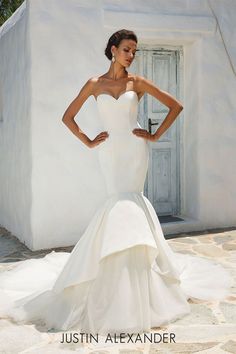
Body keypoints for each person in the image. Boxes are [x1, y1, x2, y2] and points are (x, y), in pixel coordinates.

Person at [0, 29, 233, 337]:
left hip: (135, 152)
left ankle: (143, 283)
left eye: (134, 50)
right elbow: (68, 116)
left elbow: (175, 105)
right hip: (110, 153)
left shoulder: (137, 83)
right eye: (126, 49)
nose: (131, 55)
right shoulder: (95, 83)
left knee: (131, 202)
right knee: (115, 203)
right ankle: (110, 280)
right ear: (112, 50)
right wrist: (88, 140)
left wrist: (154, 135)